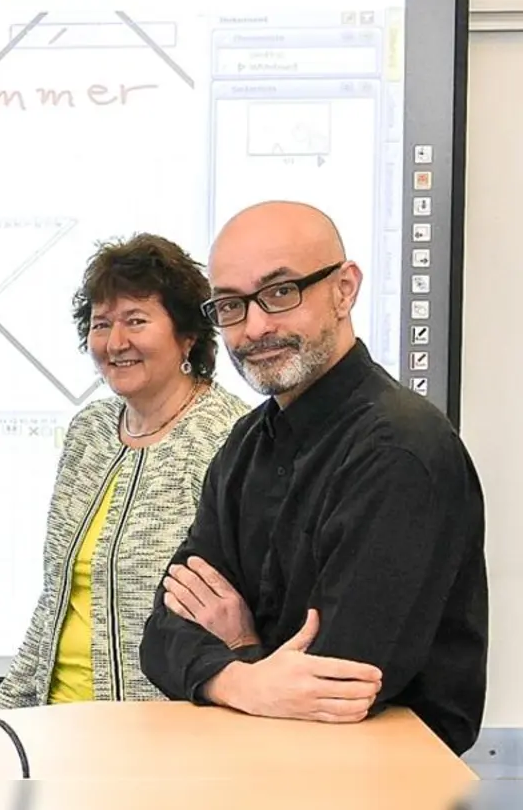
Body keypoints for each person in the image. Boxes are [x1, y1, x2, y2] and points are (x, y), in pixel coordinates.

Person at [138, 200, 487, 755]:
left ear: (344, 289)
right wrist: (247, 677)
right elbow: (161, 634)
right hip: (265, 765)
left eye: (281, 292)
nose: (255, 327)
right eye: (230, 305)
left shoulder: (401, 450)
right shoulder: (246, 445)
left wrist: (239, 643)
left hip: (385, 780)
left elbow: (343, 685)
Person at [0, 234, 249, 708]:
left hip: (162, 741)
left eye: (136, 321)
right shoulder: (90, 431)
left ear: (187, 334)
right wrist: (0, 714)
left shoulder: (227, 436)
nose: (115, 342)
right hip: (54, 727)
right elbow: (55, 605)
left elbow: (239, 618)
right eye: (101, 323)